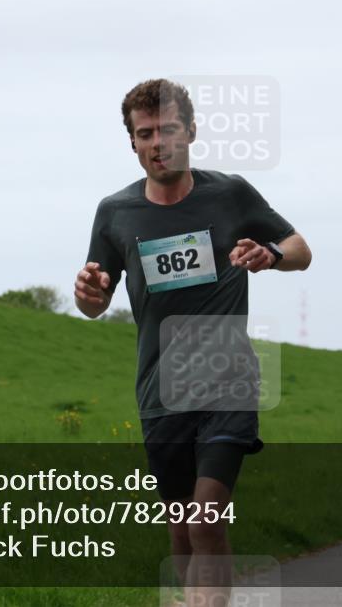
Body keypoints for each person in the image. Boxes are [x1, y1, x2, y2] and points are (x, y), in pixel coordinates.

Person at [74, 78, 312, 605]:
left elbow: (300, 248)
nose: (158, 142)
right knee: (181, 531)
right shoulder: (115, 213)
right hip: (161, 394)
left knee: (206, 522)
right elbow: (95, 301)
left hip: (228, 386)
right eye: (145, 133)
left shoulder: (228, 194)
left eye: (168, 129)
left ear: (192, 131)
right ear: (132, 143)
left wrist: (271, 254)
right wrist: (87, 293)